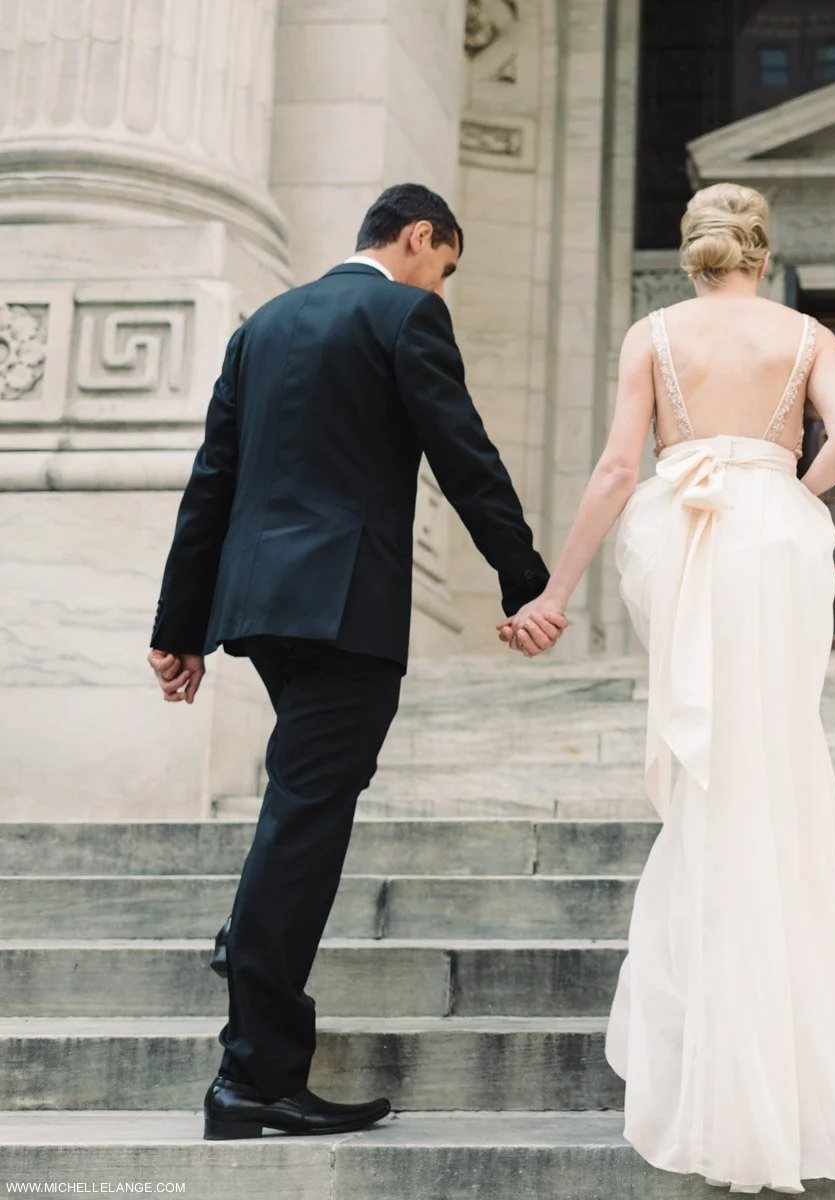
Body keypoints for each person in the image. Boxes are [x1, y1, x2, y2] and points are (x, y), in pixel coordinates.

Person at [146, 183, 565, 1141]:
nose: (444, 288)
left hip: (260, 608)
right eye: (447, 266)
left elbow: (211, 484)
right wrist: (525, 579)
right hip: (344, 608)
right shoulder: (404, 312)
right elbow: (464, 456)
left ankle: (244, 939)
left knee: (302, 794)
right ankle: (253, 1077)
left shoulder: (265, 327)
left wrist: (178, 628)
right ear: (419, 237)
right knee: (308, 818)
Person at [500, 182, 835, 1192]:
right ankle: (792, 1079)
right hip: (774, 540)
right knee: (772, 756)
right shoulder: (806, 335)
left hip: (682, 535)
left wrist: (554, 591)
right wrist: (783, 490)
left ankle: (714, 1069)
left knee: (708, 762)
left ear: (692, 255)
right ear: (763, 254)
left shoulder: (654, 335)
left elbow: (613, 469)